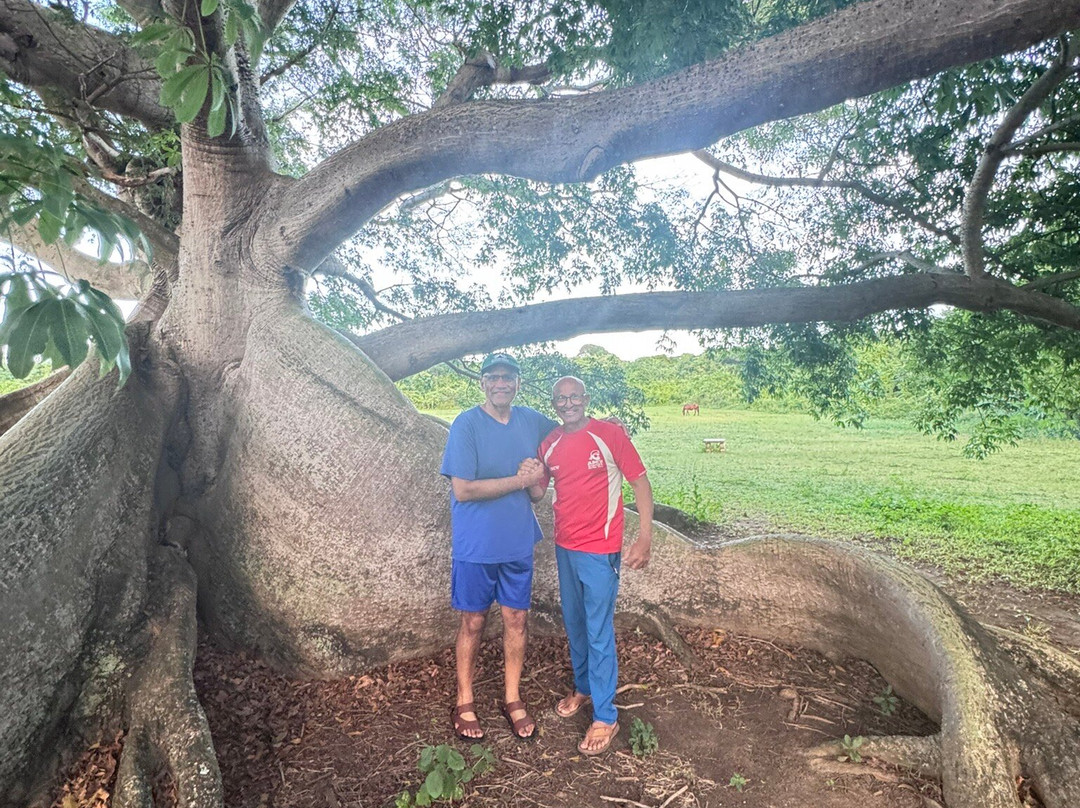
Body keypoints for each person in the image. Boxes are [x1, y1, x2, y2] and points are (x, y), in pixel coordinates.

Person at [529, 376, 654, 756]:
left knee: (598, 630)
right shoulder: (550, 443)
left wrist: (644, 537)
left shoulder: (609, 435)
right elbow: (538, 491)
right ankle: (584, 688)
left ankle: (605, 716)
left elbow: (640, 483)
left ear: (585, 399)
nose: (568, 404)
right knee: (574, 623)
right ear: (554, 403)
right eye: (560, 399)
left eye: (574, 397)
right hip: (565, 547)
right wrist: (526, 475)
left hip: (600, 549)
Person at [440, 352, 557, 742]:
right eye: (493, 377)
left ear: (518, 382)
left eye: (508, 377)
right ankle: (464, 699)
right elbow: (464, 489)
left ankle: (512, 697)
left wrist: (606, 429)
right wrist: (519, 481)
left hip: (517, 541)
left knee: (517, 620)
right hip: (476, 544)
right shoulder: (467, 424)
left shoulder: (531, 421)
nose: (501, 383)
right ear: (483, 383)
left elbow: (568, 433)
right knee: (473, 622)